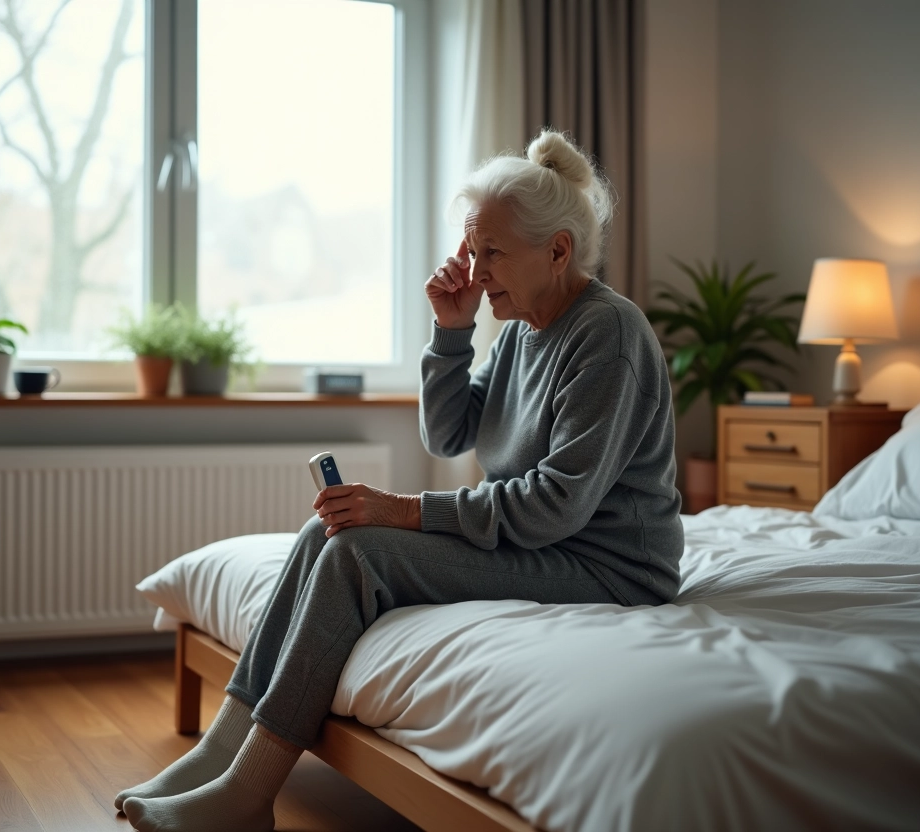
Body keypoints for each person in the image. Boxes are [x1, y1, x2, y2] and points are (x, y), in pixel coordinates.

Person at [119, 129, 684, 832]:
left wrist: (407, 510)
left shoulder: (610, 335)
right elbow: (450, 435)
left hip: (610, 566)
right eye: (473, 252)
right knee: (329, 531)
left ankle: (248, 793)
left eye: (492, 253)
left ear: (559, 250)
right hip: (551, 544)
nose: (475, 273)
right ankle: (218, 758)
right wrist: (451, 333)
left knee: (363, 550)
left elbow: (556, 505)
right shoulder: (517, 332)